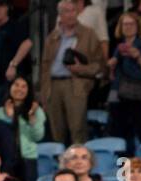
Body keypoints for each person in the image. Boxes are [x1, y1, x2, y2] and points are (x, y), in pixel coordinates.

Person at [40, 0, 107, 146]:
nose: (71, 15)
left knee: (78, 130)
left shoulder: (88, 34)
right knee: (56, 131)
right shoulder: (52, 37)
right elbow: (44, 67)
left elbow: (99, 65)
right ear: (60, 15)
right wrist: (44, 93)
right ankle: (60, 166)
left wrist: (81, 69)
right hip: (53, 85)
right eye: (66, 11)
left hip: (75, 85)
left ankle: (80, 165)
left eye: (73, 11)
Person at [108, 11, 141, 151]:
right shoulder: (118, 47)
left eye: (131, 24)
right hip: (117, 92)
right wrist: (111, 67)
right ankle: (123, 171)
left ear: (137, 26)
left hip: (137, 93)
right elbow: (112, 76)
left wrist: (138, 56)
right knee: (119, 135)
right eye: (125, 24)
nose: (128, 27)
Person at [0, 76, 46, 181]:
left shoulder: (36, 110)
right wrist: (9, 118)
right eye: (16, 85)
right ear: (10, 87)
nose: (20, 89)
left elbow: (38, 137)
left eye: (24, 86)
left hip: (28, 160)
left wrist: (32, 120)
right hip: (5, 160)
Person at [0, 0, 35, 109]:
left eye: (1, 6)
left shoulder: (14, 26)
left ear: (7, 8)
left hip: (13, 82)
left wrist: (13, 65)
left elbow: (27, 43)